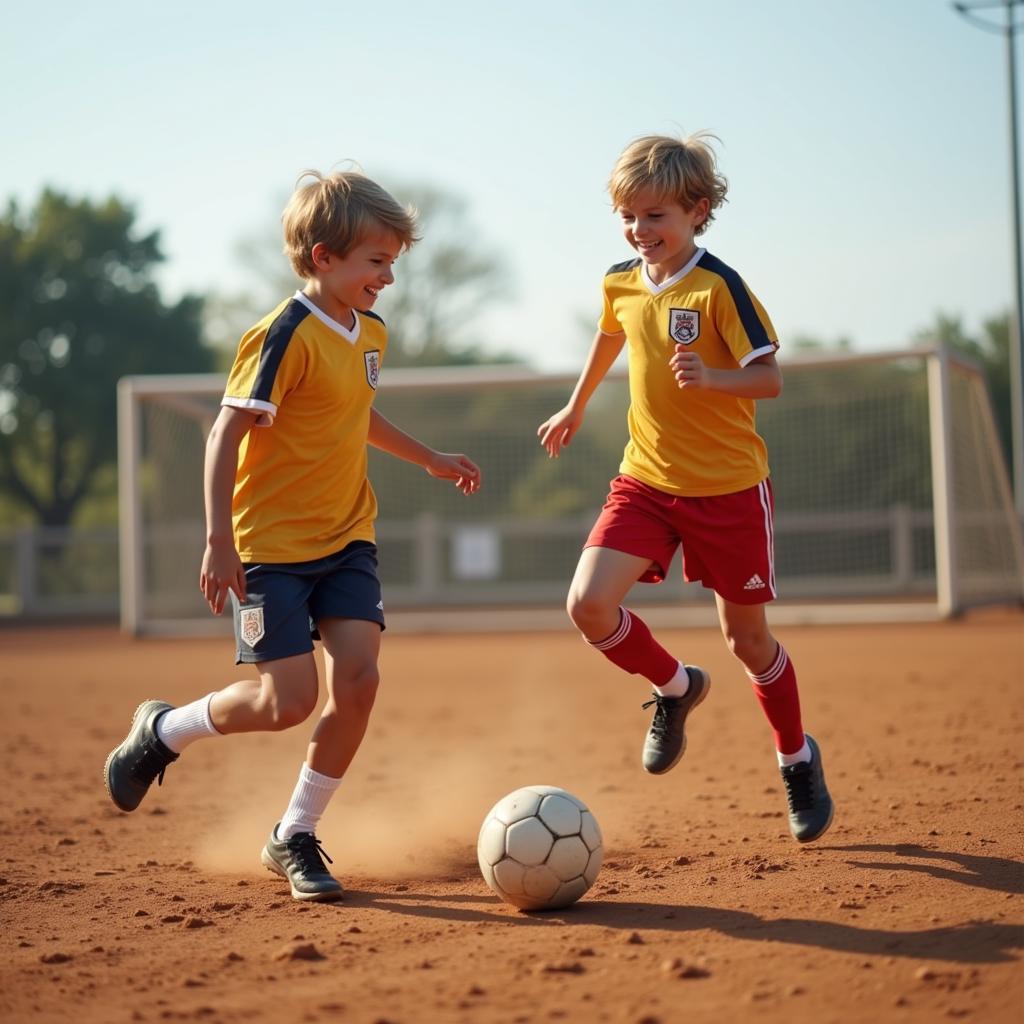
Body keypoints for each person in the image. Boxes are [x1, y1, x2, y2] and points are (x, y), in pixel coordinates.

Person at [104, 169, 482, 900]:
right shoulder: (283, 333)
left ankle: (294, 833)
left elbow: (355, 412)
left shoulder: (369, 331)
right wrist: (219, 540)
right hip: (268, 551)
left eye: (393, 261)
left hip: (347, 538)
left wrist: (429, 457)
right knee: (287, 701)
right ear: (323, 258)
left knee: (361, 679)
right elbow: (226, 431)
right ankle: (163, 732)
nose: (390, 277)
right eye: (377, 262)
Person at [537, 133, 833, 843]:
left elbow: (769, 377)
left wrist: (713, 378)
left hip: (729, 490)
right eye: (629, 217)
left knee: (748, 641)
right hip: (644, 479)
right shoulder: (621, 278)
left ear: (697, 210)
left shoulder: (719, 286)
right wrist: (576, 404)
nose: (641, 231)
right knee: (587, 604)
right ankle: (674, 687)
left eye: (656, 216)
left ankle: (797, 758)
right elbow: (611, 332)